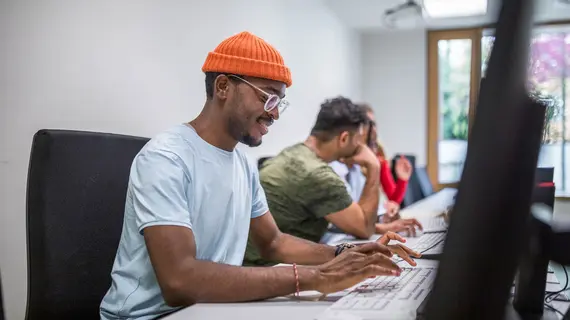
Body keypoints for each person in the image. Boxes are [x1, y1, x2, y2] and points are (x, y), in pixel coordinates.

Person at [99, 31, 418, 320]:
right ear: (223, 86)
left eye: (280, 101)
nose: (275, 112)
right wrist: (315, 277)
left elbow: (273, 243)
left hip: (210, 308)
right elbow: (180, 280)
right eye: (268, 96)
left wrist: (344, 254)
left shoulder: (242, 163)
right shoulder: (166, 158)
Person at [244, 97, 421, 266]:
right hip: (266, 268)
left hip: (251, 261)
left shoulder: (294, 154)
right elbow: (364, 228)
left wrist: (378, 228)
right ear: (344, 139)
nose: (362, 147)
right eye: (359, 140)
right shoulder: (318, 174)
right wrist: (374, 166)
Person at [329, 104, 421, 236]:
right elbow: (352, 223)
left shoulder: (356, 169)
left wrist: (385, 216)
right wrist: (383, 226)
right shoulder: (335, 169)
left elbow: (367, 215)